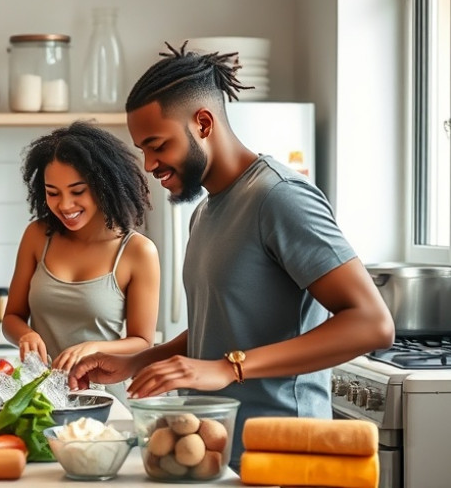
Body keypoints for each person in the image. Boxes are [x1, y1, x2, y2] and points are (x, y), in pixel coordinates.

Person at [68, 42, 395, 466]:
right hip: (217, 455)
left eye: (157, 145)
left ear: (203, 123)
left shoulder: (279, 198)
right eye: (143, 150)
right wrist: (137, 361)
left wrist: (230, 367)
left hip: (282, 454)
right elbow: (219, 328)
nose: (149, 164)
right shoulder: (205, 211)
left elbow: (372, 324)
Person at [1, 121, 161, 403]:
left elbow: (142, 342)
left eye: (77, 191)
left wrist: (92, 348)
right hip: (39, 395)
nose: (64, 205)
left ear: (104, 185)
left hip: (102, 396)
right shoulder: (38, 236)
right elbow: (12, 317)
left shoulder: (137, 251)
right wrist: (25, 334)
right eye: (53, 192)